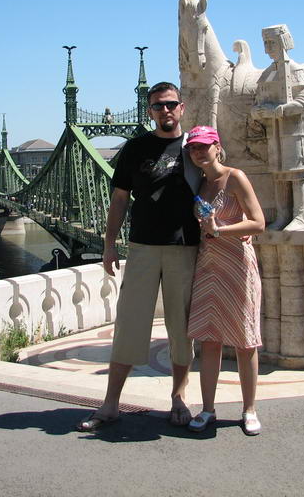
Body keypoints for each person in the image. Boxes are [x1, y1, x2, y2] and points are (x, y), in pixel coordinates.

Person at [77, 81, 202, 431]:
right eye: (158, 106)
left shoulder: (195, 146)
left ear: (181, 107)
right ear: (149, 111)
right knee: (130, 324)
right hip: (143, 247)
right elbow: (119, 199)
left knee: (181, 328)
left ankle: (179, 398)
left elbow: (219, 182)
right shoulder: (135, 148)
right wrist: (108, 244)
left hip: (184, 247)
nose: (165, 110)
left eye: (171, 104)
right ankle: (110, 404)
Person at [184, 125, 266, 435]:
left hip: (238, 266)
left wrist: (220, 230)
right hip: (208, 267)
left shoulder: (235, 178)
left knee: (246, 342)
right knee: (209, 341)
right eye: (193, 147)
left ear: (218, 147)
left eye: (204, 146)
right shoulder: (199, 183)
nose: (198, 152)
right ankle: (208, 409)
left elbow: (258, 223)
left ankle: (249, 409)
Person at [251, 24, 304, 231]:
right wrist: (258, 112)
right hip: (273, 133)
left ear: (282, 43)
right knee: (278, 174)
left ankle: (301, 215)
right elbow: (257, 102)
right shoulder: (267, 73)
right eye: (265, 43)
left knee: (296, 173)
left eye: (271, 43)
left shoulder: (296, 69)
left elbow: (303, 102)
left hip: (294, 132)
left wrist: (277, 111)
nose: (267, 48)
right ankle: (282, 215)